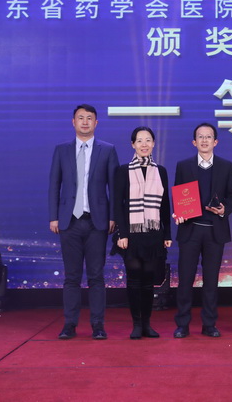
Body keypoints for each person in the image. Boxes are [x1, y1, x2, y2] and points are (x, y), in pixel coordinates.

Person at [48, 104, 119, 340]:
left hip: (97, 222)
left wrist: (113, 217)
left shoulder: (107, 150)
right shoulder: (61, 150)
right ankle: (69, 324)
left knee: (97, 276)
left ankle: (98, 325)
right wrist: (54, 216)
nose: (85, 122)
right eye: (81, 118)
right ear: (73, 122)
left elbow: (114, 187)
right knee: (71, 277)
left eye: (89, 118)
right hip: (69, 222)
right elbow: (54, 185)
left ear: (96, 123)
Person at [172, 123, 232, 338]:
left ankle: (209, 324)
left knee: (211, 281)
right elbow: (178, 194)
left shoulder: (226, 166)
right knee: (185, 280)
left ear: (215, 142)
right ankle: (182, 324)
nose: (204, 140)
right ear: (194, 142)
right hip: (190, 231)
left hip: (214, 231)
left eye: (208, 137)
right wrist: (179, 212)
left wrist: (224, 209)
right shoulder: (183, 166)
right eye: (200, 137)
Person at [113, 127, 173, 339]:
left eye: (148, 140)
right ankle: (136, 324)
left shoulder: (161, 171)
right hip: (131, 233)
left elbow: (165, 205)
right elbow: (118, 205)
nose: (144, 144)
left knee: (148, 281)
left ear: (153, 144)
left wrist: (167, 234)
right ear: (133, 145)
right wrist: (122, 234)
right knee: (134, 279)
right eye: (139, 140)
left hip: (153, 233)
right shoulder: (123, 170)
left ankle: (147, 324)